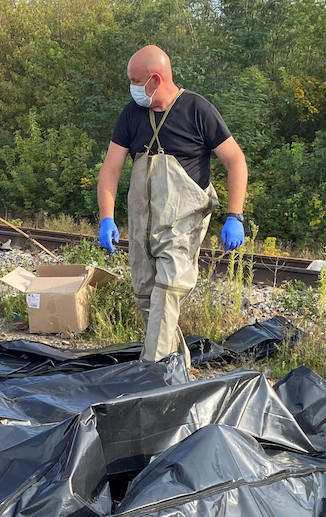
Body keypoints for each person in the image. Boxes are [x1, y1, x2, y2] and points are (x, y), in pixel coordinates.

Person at [96, 45, 248, 362]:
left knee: (167, 294)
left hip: (183, 225)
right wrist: (106, 217)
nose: (131, 87)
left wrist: (235, 215)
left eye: (135, 80)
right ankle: (175, 365)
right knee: (147, 296)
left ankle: (152, 378)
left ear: (154, 79)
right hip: (143, 225)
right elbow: (111, 168)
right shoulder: (131, 114)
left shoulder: (197, 110)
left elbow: (235, 160)